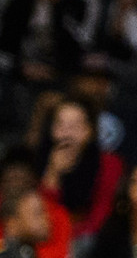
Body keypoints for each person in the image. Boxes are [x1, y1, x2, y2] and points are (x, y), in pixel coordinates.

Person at [39, 96, 122, 242]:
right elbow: (41, 216)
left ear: (89, 131)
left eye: (75, 126)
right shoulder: (39, 159)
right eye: (61, 126)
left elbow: (100, 217)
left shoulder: (109, 164)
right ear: (52, 130)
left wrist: (67, 236)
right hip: (48, 238)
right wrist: (53, 174)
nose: (67, 134)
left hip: (88, 240)